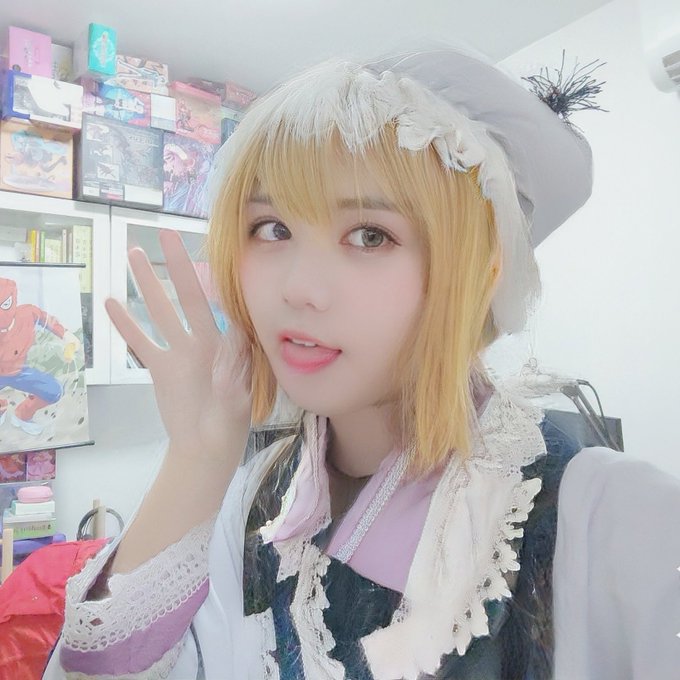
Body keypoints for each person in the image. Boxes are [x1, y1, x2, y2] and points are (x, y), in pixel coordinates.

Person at [43, 46, 680, 679]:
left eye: (370, 235)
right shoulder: (257, 498)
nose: (299, 289)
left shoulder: (615, 520)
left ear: (480, 276)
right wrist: (197, 458)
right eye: (272, 228)